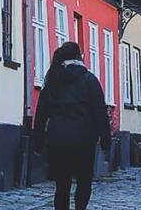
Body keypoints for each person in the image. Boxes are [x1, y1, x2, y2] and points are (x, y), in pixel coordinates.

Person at [32, 41, 112, 210]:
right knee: (84, 182)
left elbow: (41, 113)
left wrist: (37, 140)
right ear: (79, 57)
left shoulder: (53, 79)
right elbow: (99, 111)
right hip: (84, 140)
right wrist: (106, 140)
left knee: (62, 185)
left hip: (58, 140)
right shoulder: (90, 80)